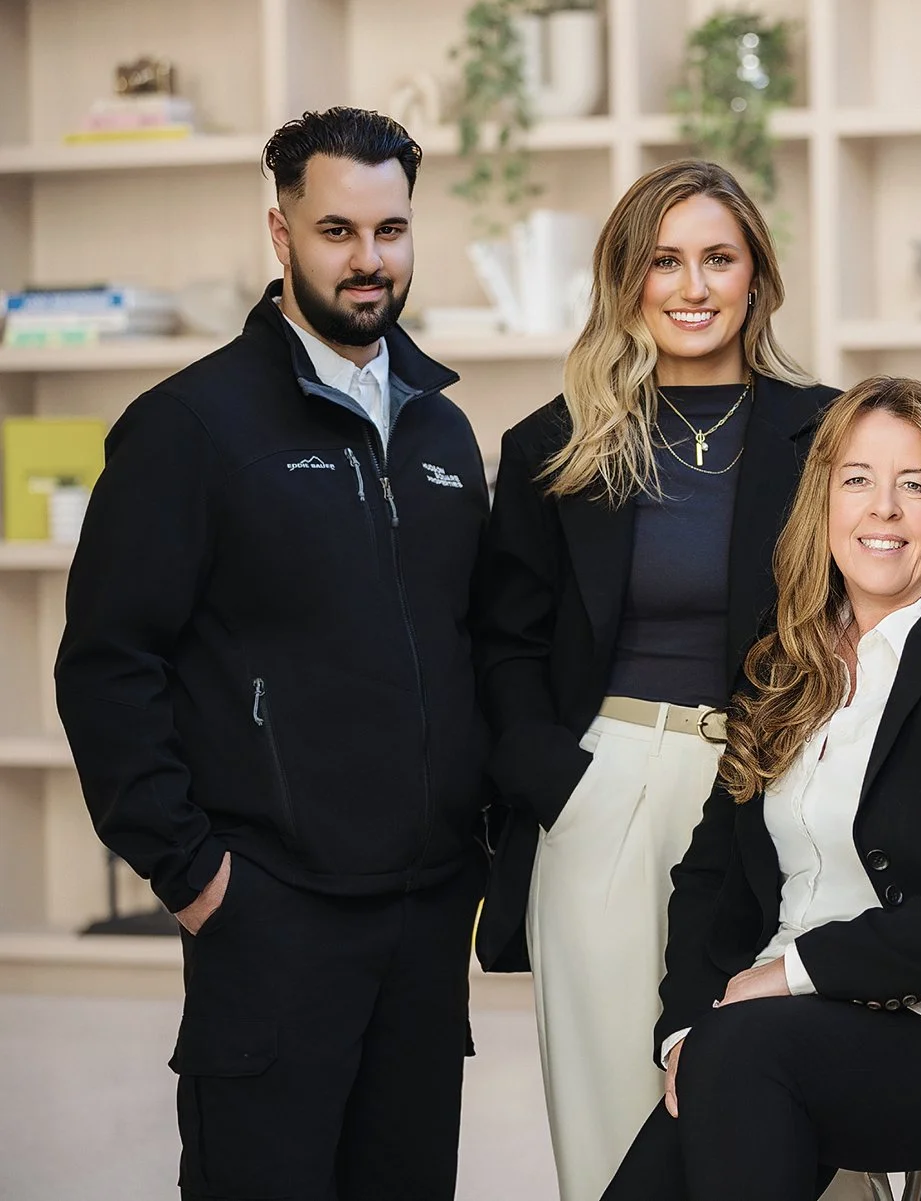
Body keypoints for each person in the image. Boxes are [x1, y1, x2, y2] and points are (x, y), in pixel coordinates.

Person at [55, 108, 489, 1200]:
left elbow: (464, 643)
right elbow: (109, 663)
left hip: (425, 914)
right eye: (336, 230)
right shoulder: (191, 428)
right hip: (272, 911)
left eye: (389, 230)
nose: (368, 260)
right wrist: (192, 873)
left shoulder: (442, 433)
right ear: (280, 230)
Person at [599, 376, 921, 1201]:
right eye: (858, 480)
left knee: (742, 1054)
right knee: (711, 1078)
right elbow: (710, 880)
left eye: (915, 485)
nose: (884, 508)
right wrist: (683, 1029)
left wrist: (795, 971)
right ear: (823, 502)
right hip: (774, 1032)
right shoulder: (780, 666)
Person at [471, 159, 839, 1200]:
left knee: (790, 1098)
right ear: (625, 281)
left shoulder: (831, 435)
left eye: (717, 258)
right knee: (614, 1113)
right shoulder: (553, 444)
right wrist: (563, 786)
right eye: (662, 261)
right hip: (606, 790)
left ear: (758, 277)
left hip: (781, 786)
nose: (690, 285)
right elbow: (504, 644)